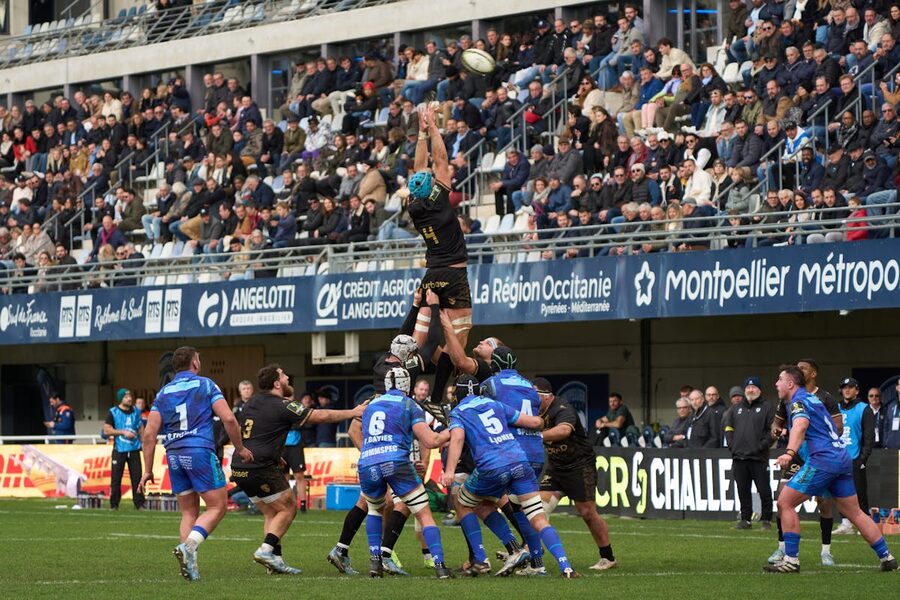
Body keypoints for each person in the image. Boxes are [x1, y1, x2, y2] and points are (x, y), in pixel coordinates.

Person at [441, 374, 579, 578]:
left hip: (492, 467)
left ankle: (482, 558)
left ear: (456, 395)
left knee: (463, 502)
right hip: (520, 461)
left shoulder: (459, 411)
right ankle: (564, 567)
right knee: (536, 517)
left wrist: (449, 471)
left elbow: (458, 438)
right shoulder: (495, 405)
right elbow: (535, 422)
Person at [232, 364, 364, 575]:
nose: (287, 378)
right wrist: (353, 412)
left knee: (272, 512)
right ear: (277, 383)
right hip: (260, 466)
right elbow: (321, 416)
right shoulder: (283, 405)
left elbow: (255, 432)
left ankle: (275, 560)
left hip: (240, 466)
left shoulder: (252, 402)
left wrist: (276, 455)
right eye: (284, 375)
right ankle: (266, 550)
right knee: (289, 507)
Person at [764, 365, 896, 573]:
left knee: (785, 502)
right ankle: (887, 557)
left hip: (823, 460)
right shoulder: (813, 399)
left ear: (790, 383)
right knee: (855, 512)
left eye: (779, 379)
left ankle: (791, 560)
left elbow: (800, 426)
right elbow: (830, 427)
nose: (776, 383)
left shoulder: (798, 402)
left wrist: (789, 452)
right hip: (841, 457)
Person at [138, 346, 253, 582]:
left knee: (189, 511)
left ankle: (190, 565)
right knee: (218, 506)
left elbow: (149, 435)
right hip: (199, 451)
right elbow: (229, 418)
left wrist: (147, 470)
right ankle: (189, 547)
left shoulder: (163, 393)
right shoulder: (206, 385)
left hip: (174, 454)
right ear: (195, 364)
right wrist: (240, 448)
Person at [359, 367, 452, 579]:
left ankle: (375, 562)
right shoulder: (409, 404)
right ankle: (440, 565)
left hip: (367, 463)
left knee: (374, 510)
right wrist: (454, 428)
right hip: (396, 462)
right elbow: (431, 440)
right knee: (424, 513)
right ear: (407, 384)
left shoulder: (371, 405)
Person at [407, 105, 472, 350]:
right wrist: (433, 127)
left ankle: (411, 368)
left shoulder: (413, 205)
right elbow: (441, 160)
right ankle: (451, 374)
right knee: (459, 338)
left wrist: (421, 134)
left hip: (432, 274)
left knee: (420, 341)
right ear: (431, 186)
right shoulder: (440, 200)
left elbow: (419, 168)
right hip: (454, 274)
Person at [535, 377, 616, 571]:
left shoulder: (562, 408)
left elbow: (564, 430)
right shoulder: (533, 410)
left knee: (587, 513)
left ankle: (608, 557)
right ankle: (531, 554)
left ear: (546, 396)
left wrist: (536, 436)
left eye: (533, 395)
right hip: (556, 467)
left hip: (579, 466)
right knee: (538, 508)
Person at [768, 358, 844, 567]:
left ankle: (826, 551)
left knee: (824, 503)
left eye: (803, 368)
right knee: (782, 498)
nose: (799, 370)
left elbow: (838, 427)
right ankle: (782, 547)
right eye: (797, 367)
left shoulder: (824, 397)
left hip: (819, 456)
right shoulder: (787, 398)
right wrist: (777, 430)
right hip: (798, 456)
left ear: (813, 374)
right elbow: (777, 423)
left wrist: (816, 434)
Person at [480, 347, 546, 575]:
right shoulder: (529, 385)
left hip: (511, 453)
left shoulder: (491, 384)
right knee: (522, 508)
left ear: (494, 364)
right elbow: (538, 411)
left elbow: (483, 413)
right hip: (535, 451)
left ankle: (513, 550)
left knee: (473, 499)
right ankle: (537, 562)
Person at [723, 376, 774, 530]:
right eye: (748, 388)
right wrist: (732, 445)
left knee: (764, 489)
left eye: (754, 387)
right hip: (739, 457)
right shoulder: (735, 408)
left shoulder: (767, 407)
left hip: (759, 457)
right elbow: (728, 428)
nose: (751, 390)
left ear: (760, 390)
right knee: (742, 490)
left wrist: (761, 446)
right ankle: (745, 519)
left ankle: (766, 519)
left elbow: (772, 431)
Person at [833, 377, 876, 535]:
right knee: (839, 491)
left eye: (850, 387)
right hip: (838, 456)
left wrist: (862, 459)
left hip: (855, 457)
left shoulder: (864, 409)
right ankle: (845, 524)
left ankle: (864, 524)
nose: (847, 390)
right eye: (844, 387)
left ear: (857, 390)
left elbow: (869, 437)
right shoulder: (836, 408)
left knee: (859, 492)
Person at [104, 388, 145, 511]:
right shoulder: (113, 412)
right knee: (116, 478)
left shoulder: (136, 411)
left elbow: (140, 428)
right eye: (126, 397)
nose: (129, 399)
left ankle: (139, 503)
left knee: (137, 477)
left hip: (134, 449)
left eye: (130, 396)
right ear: (120, 399)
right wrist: (123, 432)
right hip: (119, 449)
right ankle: (114, 504)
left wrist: (144, 442)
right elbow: (107, 430)